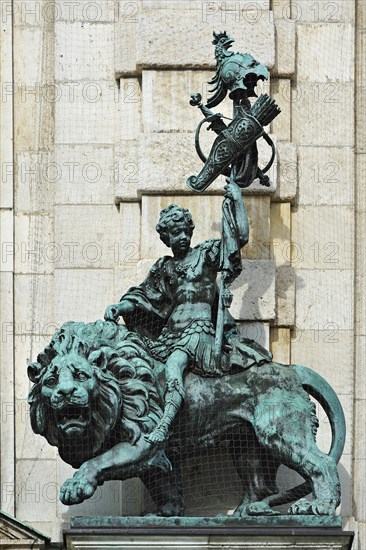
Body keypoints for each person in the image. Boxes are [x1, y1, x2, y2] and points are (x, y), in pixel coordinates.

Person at [105, 181, 272, 443]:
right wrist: (121, 307)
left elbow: (239, 237)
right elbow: (142, 297)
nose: (181, 236)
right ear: (166, 238)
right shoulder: (165, 268)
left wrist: (237, 200)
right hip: (170, 336)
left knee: (174, 364)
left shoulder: (206, 255)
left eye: (184, 230)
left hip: (199, 332)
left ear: (190, 231)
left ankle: (165, 424)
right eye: (174, 233)